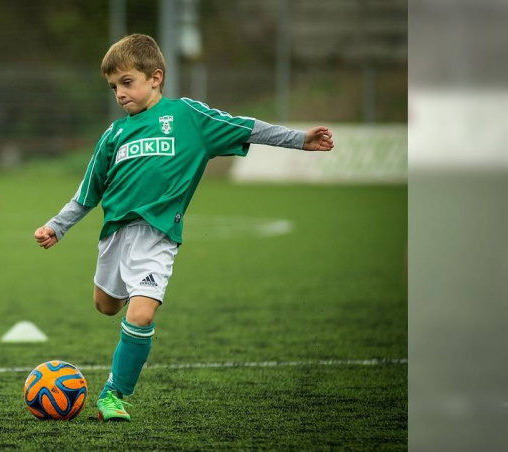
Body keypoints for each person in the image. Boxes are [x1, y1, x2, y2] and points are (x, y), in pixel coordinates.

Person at [33, 34, 334, 422]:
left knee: (140, 316)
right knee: (106, 306)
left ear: (155, 77)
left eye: (127, 82)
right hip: (115, 237)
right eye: (113, 87)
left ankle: (114, 393)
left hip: (158, 237)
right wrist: (57, 227)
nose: (120, 94)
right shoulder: (114, 135)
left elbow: (246, 127)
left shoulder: (189, 117)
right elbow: (87, 193)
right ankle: (132, 302)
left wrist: (299, 139)